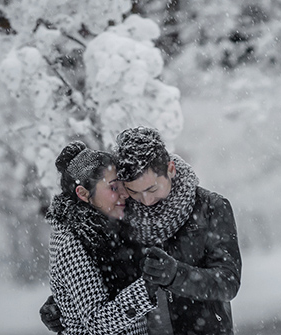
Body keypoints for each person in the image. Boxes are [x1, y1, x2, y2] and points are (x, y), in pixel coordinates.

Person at [41, 127, 242, 335]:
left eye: (152, 189)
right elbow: (108, 273)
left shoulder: (210, 207)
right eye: (134, 191)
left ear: (170, 169)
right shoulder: (125, 211)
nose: (145, 200)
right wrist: (64, 305)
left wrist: (176, 275)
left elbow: (228, 282)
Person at [43, 140, 157, 335]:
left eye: (123, 185)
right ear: (83, 194)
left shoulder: (112, 228)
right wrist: (148, 286)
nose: (124, 194)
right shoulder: (71, 242)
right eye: (113, 188)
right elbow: (97, 323)